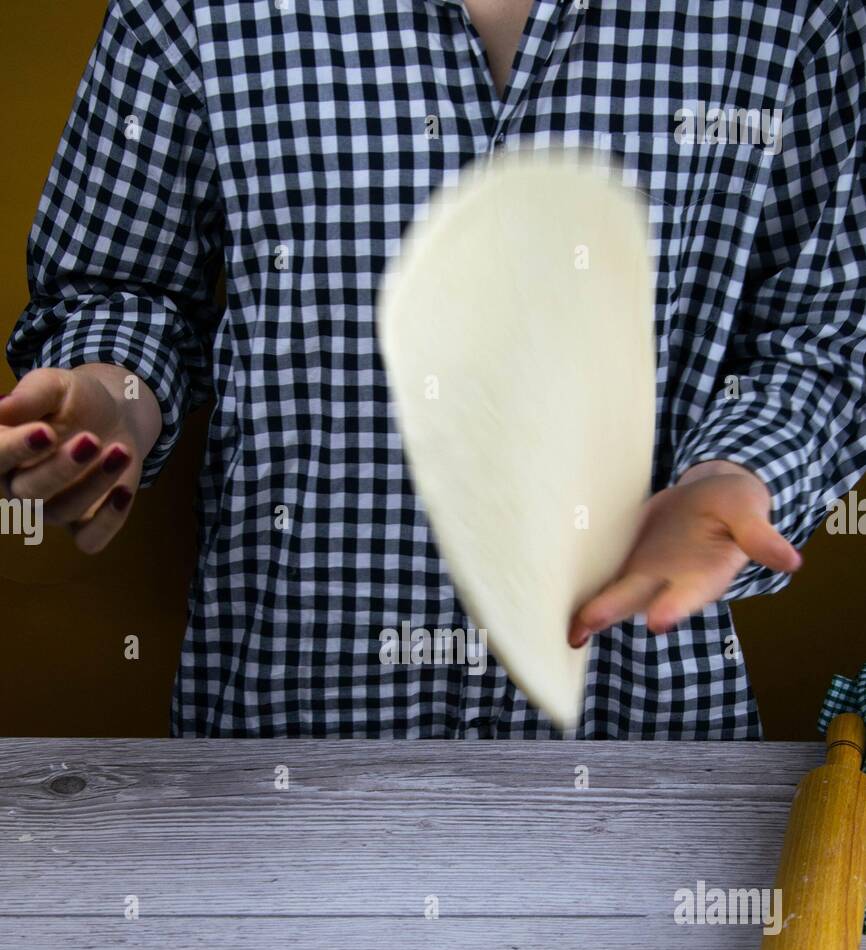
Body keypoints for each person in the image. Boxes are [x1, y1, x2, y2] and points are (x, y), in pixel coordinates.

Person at [3, 1, 864, 738]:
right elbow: (124, 285)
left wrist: (735, 474)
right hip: (284, 747)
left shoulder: (801, 18)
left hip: (646, 754)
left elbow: (823, 341)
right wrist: (115, 395)